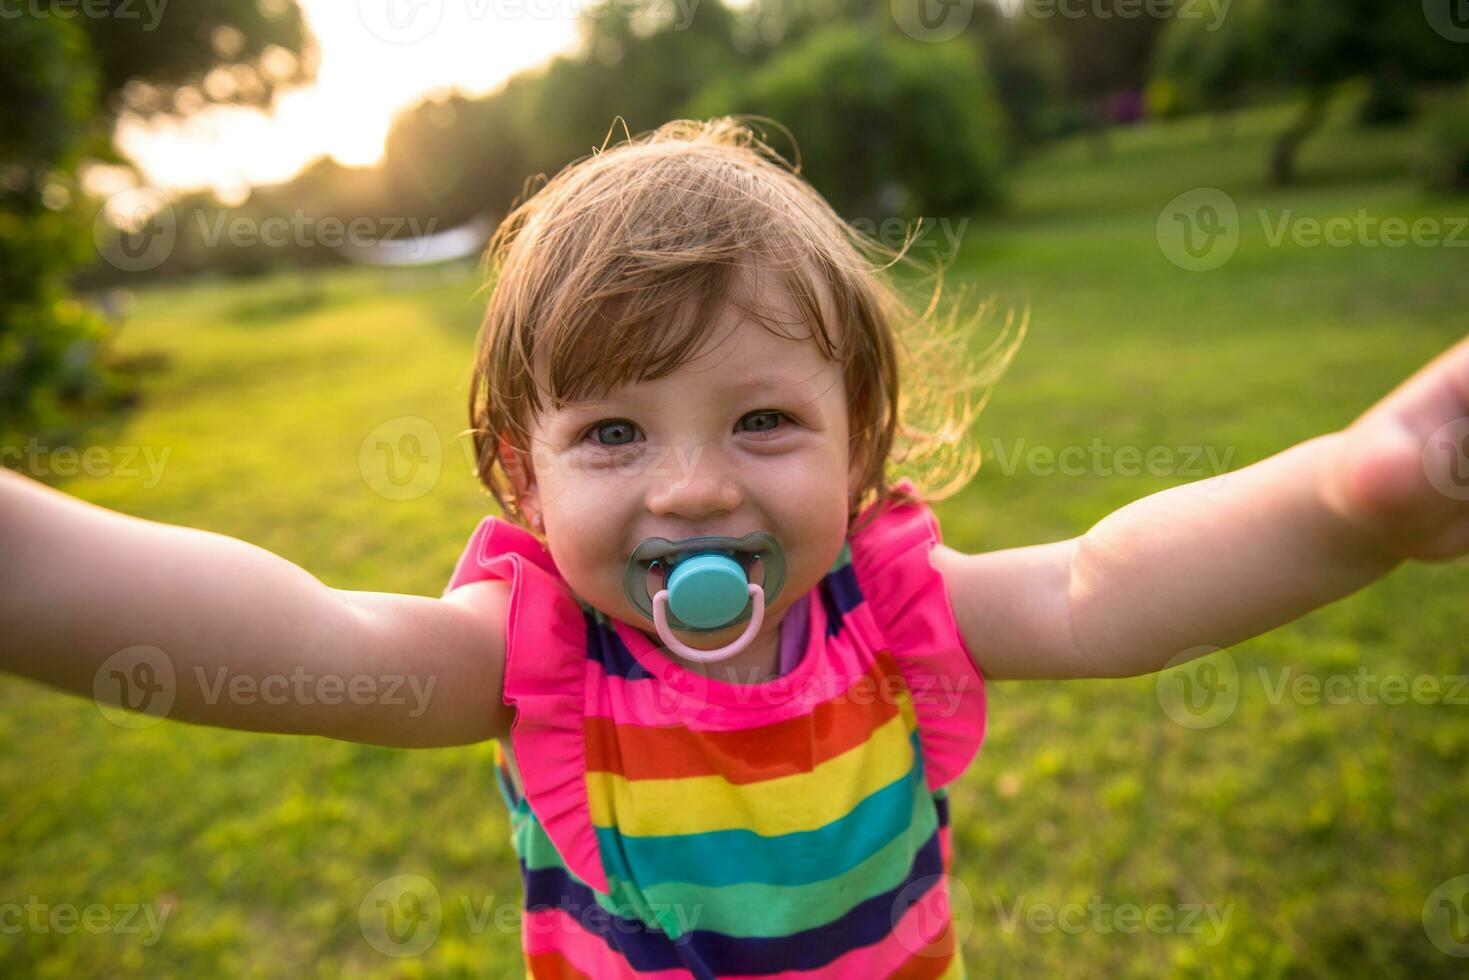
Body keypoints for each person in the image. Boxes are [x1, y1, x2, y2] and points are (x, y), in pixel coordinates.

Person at [3, 117, 1467, 978]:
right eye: (616, 436)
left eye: (761, 418)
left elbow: (1104, 588)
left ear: (860, 447)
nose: (693, 491)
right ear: (523, 473)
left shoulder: (888, 610)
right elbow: (298, 640)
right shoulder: (531, 658)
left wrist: (1357, 496)